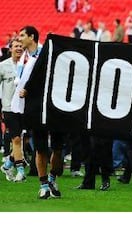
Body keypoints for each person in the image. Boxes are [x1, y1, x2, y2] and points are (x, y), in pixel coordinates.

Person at [18, 26, 64, 199]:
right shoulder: (23, 59)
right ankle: (44, 185)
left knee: (58, 149)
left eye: (22, 35)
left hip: (54, 106)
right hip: (35, 108)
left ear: (32, 37)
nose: (19, 38)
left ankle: (53, 178)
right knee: (40, 149)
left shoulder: (47, 53)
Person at [0, 38, 24, 182]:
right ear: (10, 49)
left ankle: (8, 164)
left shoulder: (26, 66)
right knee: (15, 138)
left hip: (22, 107)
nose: (19, 48)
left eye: (21, 46)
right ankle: (20, 170)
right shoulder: (3, 66)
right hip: (9, 107)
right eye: (16, 46)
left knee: (20, 138)